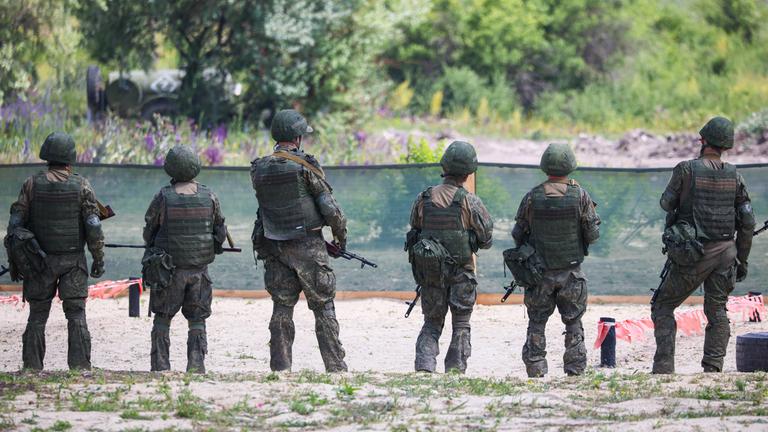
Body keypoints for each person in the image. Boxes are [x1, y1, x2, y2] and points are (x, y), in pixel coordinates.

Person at [652, 116, 754, 374]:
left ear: (703, 140)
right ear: (726, 145)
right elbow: (748, 222)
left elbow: (666, 204)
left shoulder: (686, 169)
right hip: (726, 253)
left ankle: (664, 368)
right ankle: (713, 368)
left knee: (663, 306)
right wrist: (742, 259)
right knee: (717, 309)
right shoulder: (735, 176)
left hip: (692, 254)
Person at [251, 109, 348, 372]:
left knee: (282, 307)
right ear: (297, 137)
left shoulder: (259, 168)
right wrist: (341, 237)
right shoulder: (305, 167)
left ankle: (281, 368)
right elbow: (330, 209)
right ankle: (336, 368)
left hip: (274, 246)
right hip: (308, 246)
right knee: (323, 306)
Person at [5, 132, 105, 370]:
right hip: (73, 262)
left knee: (37, 316)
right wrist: (98, 258)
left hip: (39, 263)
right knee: (76, 314)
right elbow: (93, 225)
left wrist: (16, 262)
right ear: (70, 160)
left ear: (46, 157)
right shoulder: (81, 185)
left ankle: (32, 368)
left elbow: (13, 227)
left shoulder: (31, 184)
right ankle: (80, 368)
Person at [511, 143, 600, 377]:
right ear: (570, 166)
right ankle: (575, 369)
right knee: (573, 322)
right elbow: (592, 234)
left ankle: (536, 368)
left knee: (537, 322)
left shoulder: (533, 196)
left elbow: (517, 234)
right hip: (571, 273)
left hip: (539, 274)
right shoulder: (580, 195)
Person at [407, 141, 494, 374]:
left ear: (444, 167)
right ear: (468, 173)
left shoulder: (423, 198)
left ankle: (425, 365)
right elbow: (486, 239)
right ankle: (455, 368)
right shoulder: (470, 201)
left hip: (432, 276)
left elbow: (415, 231)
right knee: (461, 324)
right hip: (462, 276)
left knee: (432, 323)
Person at [143, 145, 228, 373]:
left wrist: (152, 246)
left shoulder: (163, 196)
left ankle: (160, 366)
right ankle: (196, 364)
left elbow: (149, 230)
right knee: (197, 320)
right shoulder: (209, 195)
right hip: (199, 272)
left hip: (169, 271)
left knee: (162, 318)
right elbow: (219, 231)